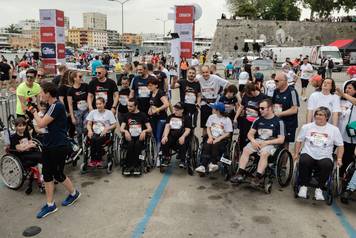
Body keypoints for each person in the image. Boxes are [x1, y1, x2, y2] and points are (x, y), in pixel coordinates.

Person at [31, 82, 80, 219]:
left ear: (47, 93)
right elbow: (43, 127)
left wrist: (33, 112)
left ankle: (74, 193)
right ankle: (50, 204)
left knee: (58, 174)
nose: (40, 94)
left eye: (41, 92)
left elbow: (41, 123)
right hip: (48, 144)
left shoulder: (56, 106)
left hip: (58, 146)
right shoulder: (50, 107)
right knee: (47, 174)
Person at [230, 99, 285, 185]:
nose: (260, 110)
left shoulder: (279, 122)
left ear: (270, 108)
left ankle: (258, 177)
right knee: (246, 150)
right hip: (258, 141)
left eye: (262, 108)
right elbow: (250, 134)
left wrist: (266, 143)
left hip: (271, 143)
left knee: (264, 153)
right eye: (259, 108)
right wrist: (253, 141)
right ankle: (240, 173)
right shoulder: (258, 120)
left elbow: (281, 140)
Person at [293, 107, 344, 200]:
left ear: (327, 117)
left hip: (325, 155)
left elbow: (340, 145)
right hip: (309, 152)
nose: (318, 116)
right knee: (304, 161)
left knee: (327, 164)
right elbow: (299, 140)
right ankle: (304, 187)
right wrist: (296, 153)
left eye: (321, 115)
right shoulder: (307, 127)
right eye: (316, 114)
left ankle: (319, 189)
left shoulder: (333, 129)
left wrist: (339, 159)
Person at [195, 102, 233, 174]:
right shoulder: (211, 117)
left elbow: (228, 133)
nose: (212, 109)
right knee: (207, 144)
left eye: (213, 108)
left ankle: (213, 163)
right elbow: (208, 128)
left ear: (217, 110)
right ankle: (203, 165)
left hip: (222, 138)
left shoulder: (227, 120)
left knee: (216, 144)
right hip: (211, 136)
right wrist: (210, 137)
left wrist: (218, 139)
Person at [120, 98, 152, 175]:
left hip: (140, 137)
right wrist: (125, 131)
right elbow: (121, 128)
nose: (128, 108)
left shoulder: (142, 115)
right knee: (130, 145)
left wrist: (144, 131)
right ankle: (128, 165)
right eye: (128, 106)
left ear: (136, 106)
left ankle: (137, 165)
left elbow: (150, 128)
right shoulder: (126, 115)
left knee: (138, 145)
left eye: (131, 106)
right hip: (129, 137)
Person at [10, 117, 42, 194]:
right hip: (21, 156)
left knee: (43, 155)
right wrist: (30, 145)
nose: (22, 127)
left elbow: (30, 141)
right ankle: (42, 178)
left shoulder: (26, 133)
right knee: (40, 157)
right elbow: (20, 149)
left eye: (23, 125)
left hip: (29, 152)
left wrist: (32, 144)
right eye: (19, 126)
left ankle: (42, 176)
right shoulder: (14, 137)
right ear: (16, 126)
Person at [234, 83, 268, 150]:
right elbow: (241, 107)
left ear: (253, 91)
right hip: (247, 120)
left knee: (254, 137)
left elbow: (266, 111)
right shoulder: (246, 96)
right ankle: (243, 151)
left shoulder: (263, 97)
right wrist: (235, 117)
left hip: (258, 121)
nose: (248, 95)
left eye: (249, 94)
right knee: (244, 136)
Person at [198, 65, 229, 135]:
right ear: (201, 73)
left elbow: (227, 84)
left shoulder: (215, 78)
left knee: (215, 124)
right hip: (204, 103)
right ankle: (204, 142)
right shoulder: (199, 79)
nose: (205, 74)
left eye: (206, 72)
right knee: (205, 126)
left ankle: (214, 140)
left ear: (209, 71)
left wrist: (225, 95)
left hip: (215, 103)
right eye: (203, 72)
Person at [86, 97, 117, 167]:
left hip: (105, 133)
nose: (98, 106)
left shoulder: (109, 113)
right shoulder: (93, 112)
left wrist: (107, 129)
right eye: (97, 104)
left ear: (104, 104)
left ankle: (99, 160)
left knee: (98, 140)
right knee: (92, 139)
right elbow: (88, 124)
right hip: (94, 132)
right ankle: (93, 160)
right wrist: (90, 130)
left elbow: (115, 125)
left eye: (100, 104)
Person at [272, 73, 299, 149]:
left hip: (289, 123)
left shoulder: (292, 91)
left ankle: (283, 161)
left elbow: (294, 109)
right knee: (275, 142)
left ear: (284, 81)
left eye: (277, 81)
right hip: (277, 122)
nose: (275, 82)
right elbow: (273, 104)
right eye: (274, 80)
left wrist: (280, 114)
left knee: (285, 145)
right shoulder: (276, 91)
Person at [161, 102, 192, 168]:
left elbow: (188, 130)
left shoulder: (186, 118)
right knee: (165, 141)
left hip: (182, 134)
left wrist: (183, 136)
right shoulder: (171, 116)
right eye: (175, 109)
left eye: (177, 110)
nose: (175, 111)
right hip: (172, 135)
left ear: (182, 110)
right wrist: (165, 136)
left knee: (182, 141)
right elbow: (167, 127)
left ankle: (182, 160)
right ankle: (166, 158)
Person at [335, 79, 356, 176]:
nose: (347, 89)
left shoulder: (353, 101)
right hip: (337, 133)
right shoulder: (340, 100)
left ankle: (342, 178)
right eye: (346, 87)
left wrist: (343, 94)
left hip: (349, 137)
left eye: (350, 88)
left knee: (346, 159)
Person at [67, 71, 88, 147]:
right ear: (74, 78)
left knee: (86, 127)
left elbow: (90, 97)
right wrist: (72, 117)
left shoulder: (85, 86)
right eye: (80, 76)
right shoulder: (70, 90)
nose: (81, 78)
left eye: (82, 76)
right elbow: (70, 104)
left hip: (86, 111)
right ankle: (80, 146)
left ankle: (87, 144)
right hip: (77, 112)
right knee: (79, 131)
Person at [147, 78, 169, 151]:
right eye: (148, 86)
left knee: (158, 135)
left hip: (161, 118)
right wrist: (150, 110)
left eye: (150, 85)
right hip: (154, 118)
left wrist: (157, 109)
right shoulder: (151, 93)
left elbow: (166, 104)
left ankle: (159, 154)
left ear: (156, 85)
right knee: (155, 136)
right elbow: (152, 104)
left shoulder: (160, 93)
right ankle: (158, 151)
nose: (149, 87)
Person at [58, 70, 75, 138]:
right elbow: (61, 99)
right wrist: (65, 111)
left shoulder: (74, 86)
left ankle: (71, 138)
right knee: (67, 126)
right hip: (67, 110)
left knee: (73, 126)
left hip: (74, 109)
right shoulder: (63, 87)